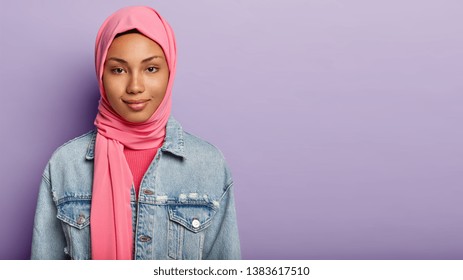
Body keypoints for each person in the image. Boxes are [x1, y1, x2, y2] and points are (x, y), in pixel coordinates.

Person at [31, 6, 240, 260]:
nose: (135, 86)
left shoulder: (209, 165)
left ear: (170, 71)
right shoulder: (65, 165)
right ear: (101, 73)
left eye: (151, 69)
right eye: (118, 70)